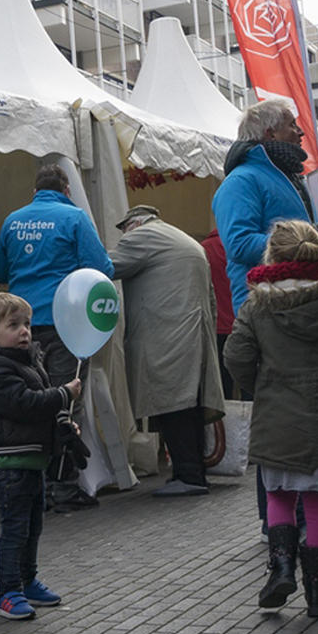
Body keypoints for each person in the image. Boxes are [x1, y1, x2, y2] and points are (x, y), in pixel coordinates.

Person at [223, 220, 318, 619]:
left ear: (273, 255)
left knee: (279, 496)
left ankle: (282, 570)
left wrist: (265, 383)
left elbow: (236, 357)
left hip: (277, 416)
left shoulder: (258, 305)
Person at [0, 163, 113, 511]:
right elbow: (101, 269)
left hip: (21, 328)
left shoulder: (13, 220)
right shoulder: (74, 218)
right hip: (66, 325)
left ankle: (36, 490)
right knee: (65, 403)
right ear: (66, 191)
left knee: (30, 403)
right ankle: (65, 489)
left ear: (34, 191)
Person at [0, 292, 81, 620]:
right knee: (15, 528)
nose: (24, 331)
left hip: (32, 461)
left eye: (27, 324)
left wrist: (62, 423)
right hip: (9, 463)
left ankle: (28, 580)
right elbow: (22, 404)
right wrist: (62, 395)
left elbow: (40, 408)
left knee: (33, 526)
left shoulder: (28, 362)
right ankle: (7, 591)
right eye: (13, 325)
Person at [109, 205, 224, 496]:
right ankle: (194, 472)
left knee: (174, 406)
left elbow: (107, 267)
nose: (124, 236)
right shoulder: (182, 238)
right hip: (195, 335)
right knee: (191, 407)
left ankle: (188, 476)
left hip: (167, 337)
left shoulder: (142, 237)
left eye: (124, 230)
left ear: (133, 223)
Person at [212, 100, 318, 314]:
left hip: (298, 303)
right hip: (266, 309)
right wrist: (314, 237)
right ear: (270, 134)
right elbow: (239, 245)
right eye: (292, 125)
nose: (300, 133)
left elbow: (298, 244)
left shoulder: (290, 178)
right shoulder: (241, 181)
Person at [201, 229, 238, 401]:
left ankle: (223, 427)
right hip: (243, 325)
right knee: (251, 388)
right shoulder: (242, 247)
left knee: (222, 389)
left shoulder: (203, 249)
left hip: (216, 328)